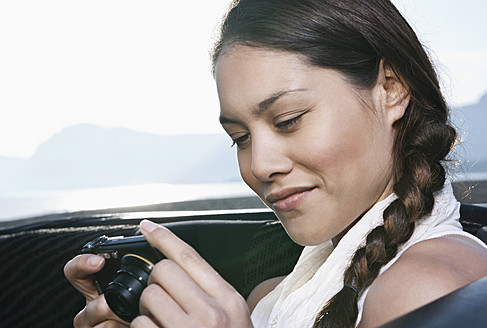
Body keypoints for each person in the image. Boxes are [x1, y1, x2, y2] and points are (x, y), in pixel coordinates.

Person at [64, 0, 487, 327]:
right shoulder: (272, 298)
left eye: (288, 121)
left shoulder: (425, 292)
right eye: (240, 139)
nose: (259, 166)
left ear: (391, 90)